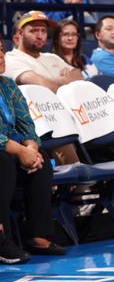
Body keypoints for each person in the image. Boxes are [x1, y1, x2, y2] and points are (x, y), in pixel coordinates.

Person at [0, 43, 66, 264]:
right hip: (4, 153)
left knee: (43, 159)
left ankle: (38, 235)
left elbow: (26, 124)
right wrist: (20, 151)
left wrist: (31, 149)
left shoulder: (8, 85)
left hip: (13, 149)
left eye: (1, 49)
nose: (0, 55)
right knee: (3, 161)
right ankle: (2, 238)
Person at [3, 11, 84, 92]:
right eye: (34, 31)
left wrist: (46, 79)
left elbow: (79, 75)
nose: (40, 36)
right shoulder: (11, 59)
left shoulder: (52, 57)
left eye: (43, 31)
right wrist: (65, 80)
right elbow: (42, 86)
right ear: (20, 33)